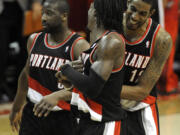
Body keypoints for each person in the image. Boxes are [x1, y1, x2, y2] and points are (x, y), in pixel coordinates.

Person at [34, 0, 127, 134]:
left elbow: (93, 88)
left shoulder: (111, 41)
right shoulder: (96, 42)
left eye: (90, 9)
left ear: (95, 13)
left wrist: (67, 69)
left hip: (104, 123)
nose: (87, 12)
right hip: (85, 120)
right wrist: (67, 80)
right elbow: (90, 85)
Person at [9, 0, 89, 135]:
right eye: (42, 13)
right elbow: (25, 74)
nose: (43, 18)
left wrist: (59, 96)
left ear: (64, 16)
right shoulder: (34, 39)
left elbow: (91, 87)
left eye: (49, 14)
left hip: (64, 116)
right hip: (33, 113)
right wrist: (16, 107)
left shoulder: (79, 46)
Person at [120, 0, 172, 135]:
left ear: (151, 13)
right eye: (133, 9)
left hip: (140, 104)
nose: (135, 17)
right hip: (109, 101)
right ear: (127, 2)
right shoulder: (111, 24)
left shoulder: (162, 39)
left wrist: (100, 86)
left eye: (142, 13)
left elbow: (142, 91)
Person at [0, 0, 42, 101]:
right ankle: (2, 91)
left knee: (26, 52)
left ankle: (21, 90)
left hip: (22, 9)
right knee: (1, 52)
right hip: (2, 10)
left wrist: (36, 2)